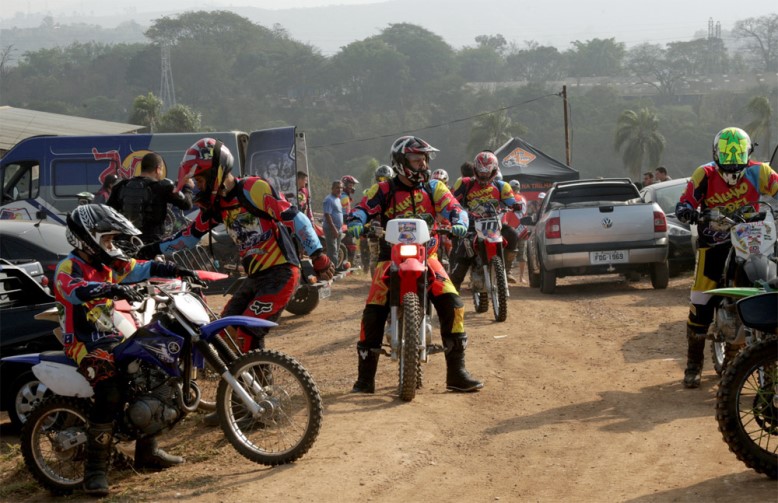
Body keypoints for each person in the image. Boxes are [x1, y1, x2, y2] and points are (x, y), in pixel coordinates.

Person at [138, 138, 334, 391]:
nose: (197, 185)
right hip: (254, 277)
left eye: (200, 179)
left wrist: (318, 255)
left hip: (282, 272)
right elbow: (188, 237)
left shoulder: (253, 188)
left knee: (248, 332)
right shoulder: (217, 204)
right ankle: (239, 398)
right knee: (223, 334)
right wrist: (150, 249)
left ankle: (263, 399)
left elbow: (295, 218)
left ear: (216, 171)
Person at [55, 204, 198, 496]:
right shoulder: (69, 267)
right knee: (110, 391)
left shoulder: (109, 266)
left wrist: (177, 269)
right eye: (107, 239)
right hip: (84, 343)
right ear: (87, 238)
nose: (111, 245)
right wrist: (110, 290)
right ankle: (95, 470)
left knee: (157, 373)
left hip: (114, 335)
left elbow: (141, 267)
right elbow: (74, 290)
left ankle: (147, 451)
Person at [346, 135, 483, 393]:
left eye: (424, 159)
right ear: (400, 161)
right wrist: (356, 221)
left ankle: (456, 373)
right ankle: (365, 379)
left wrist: (460, 221)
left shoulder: (434, 188)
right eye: (416, 159)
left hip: (428, 257)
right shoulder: (383, 189)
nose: (422, 165)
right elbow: (363, 208)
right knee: (373, 311)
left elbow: (455, 207)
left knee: (454, 305)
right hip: (389, 258)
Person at [675, 127, 778, 389]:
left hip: (755, 240)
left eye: (738, 159)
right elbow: (684, 203)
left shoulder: (760, 171)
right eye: (726, 160)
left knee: (770, 285)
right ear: (716, 155)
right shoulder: (705, 174)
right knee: (701, 299)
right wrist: (692, 214)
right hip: (715, 242)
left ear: (748, 154)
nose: (732, 168)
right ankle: (694, 365)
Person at [449, 151, 523, 287]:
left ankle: (506, 269)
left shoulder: (502, 186)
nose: (483, 174)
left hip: (495, 224)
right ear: (475, 169)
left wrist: (515, 205)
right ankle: (453, 292)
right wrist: (456, 208)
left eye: (487, 171)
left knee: (512, 235)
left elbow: (510, 200)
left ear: (494, 170)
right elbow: (452, 200)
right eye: (481, 171)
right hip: (471, 225)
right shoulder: (466, 183)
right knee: (462, 253)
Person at [107, 152, 194, 244]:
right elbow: (187, 205)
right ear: (158, 169)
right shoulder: (163, 187)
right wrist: (187, 187)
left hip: (125, 243)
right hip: (151, 244)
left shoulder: (120, 186)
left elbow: (108, 212)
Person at [505, 179, 529, 283]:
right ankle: (520, 276)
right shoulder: (522, 198)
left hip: (510, 230)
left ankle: (507, 274)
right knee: (521, 255)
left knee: (508, 253)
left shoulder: (507, 199)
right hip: (521, 229)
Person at [323, 180, 345, 270]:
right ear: (332, 188)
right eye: (337, 188)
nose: (339, 190)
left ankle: (334, 268)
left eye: (341, 188)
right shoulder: (329, 199)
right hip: (331, 229)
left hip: (338, 229)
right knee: (332, 252)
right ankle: (331, 271)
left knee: (337, 250)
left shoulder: (338, 199)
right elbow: (327, 215)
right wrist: (334, 229)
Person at [340, 175, 360, 267]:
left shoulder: (344, 195)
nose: (352, 187)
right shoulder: (344, 196)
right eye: (350, 185)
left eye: (353, 185)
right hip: (343, 223)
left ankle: (347, 264)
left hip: (343, 222)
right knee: (350, 244)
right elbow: (344, 213)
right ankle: (349, 264)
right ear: (345, 185)